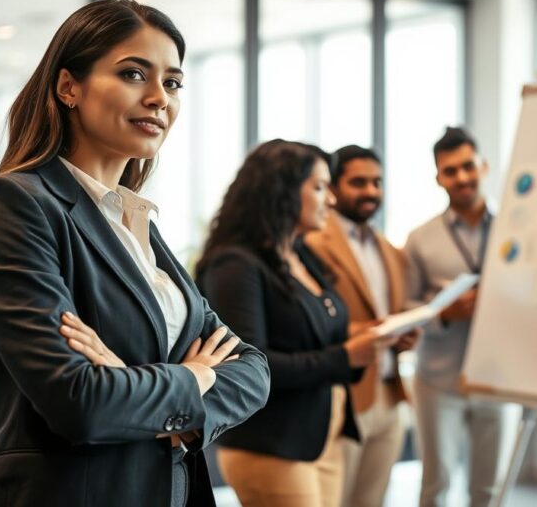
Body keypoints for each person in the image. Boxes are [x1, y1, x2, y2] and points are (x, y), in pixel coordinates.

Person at [0, 0, 269, 507]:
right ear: (69, 87)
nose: (160, 98)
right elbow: (80, 403)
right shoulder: (15, 203)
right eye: (135, 73)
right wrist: (193, 377)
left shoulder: (134, 222)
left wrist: (148, 394)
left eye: (173, 83)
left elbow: (252, 370)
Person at [195, 140, 394, 507]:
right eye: (319, 188)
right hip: (272, 446)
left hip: (321, 437)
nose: (331, 201)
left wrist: (367, 337)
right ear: (282, 191)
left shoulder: (299, 252)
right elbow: (249, 366)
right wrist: (344, 356)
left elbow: (312, 332)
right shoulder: (235, 265)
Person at [404, 126, 516, 507]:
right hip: (438, 380)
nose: (462, 177)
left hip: (500, 378)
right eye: (450, 171)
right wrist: (444, 314)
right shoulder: (419, 239)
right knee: (436, 485)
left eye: (468, 166)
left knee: (489, 490)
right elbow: (406, 308)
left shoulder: (516, 230)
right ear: (438, 178)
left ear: (483, 166)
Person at [304, 145, 419, 507]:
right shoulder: (311, 244)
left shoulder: (389, 248)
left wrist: (403, 334)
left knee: (372, 500)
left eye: (377, 182)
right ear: (334, 188)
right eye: (358, 182)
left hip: (388, 390)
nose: (370, 191)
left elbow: (390, 311)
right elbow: (311, 321)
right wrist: (366, 331)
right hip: (344, 394)